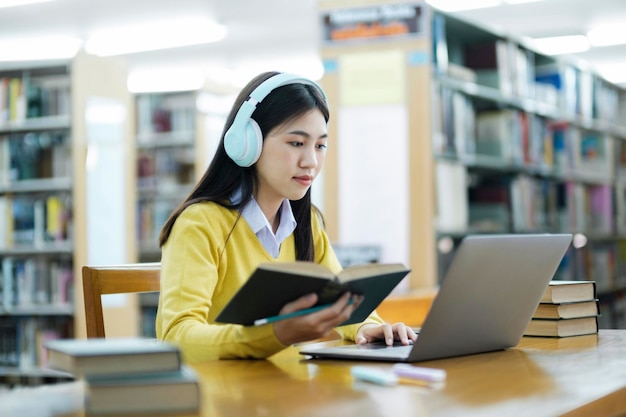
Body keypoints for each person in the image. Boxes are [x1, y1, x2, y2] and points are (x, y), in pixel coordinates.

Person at [155, 71, 417, 362]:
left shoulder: (307, 223)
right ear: (247, 143)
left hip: (285, 389)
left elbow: (341, 300)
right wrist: (275, 335)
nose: (311, 162)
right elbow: (176, 335)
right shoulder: (200, 223)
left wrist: (370, 328)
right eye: (296, 143)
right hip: (223, 395)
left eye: (320, 145)